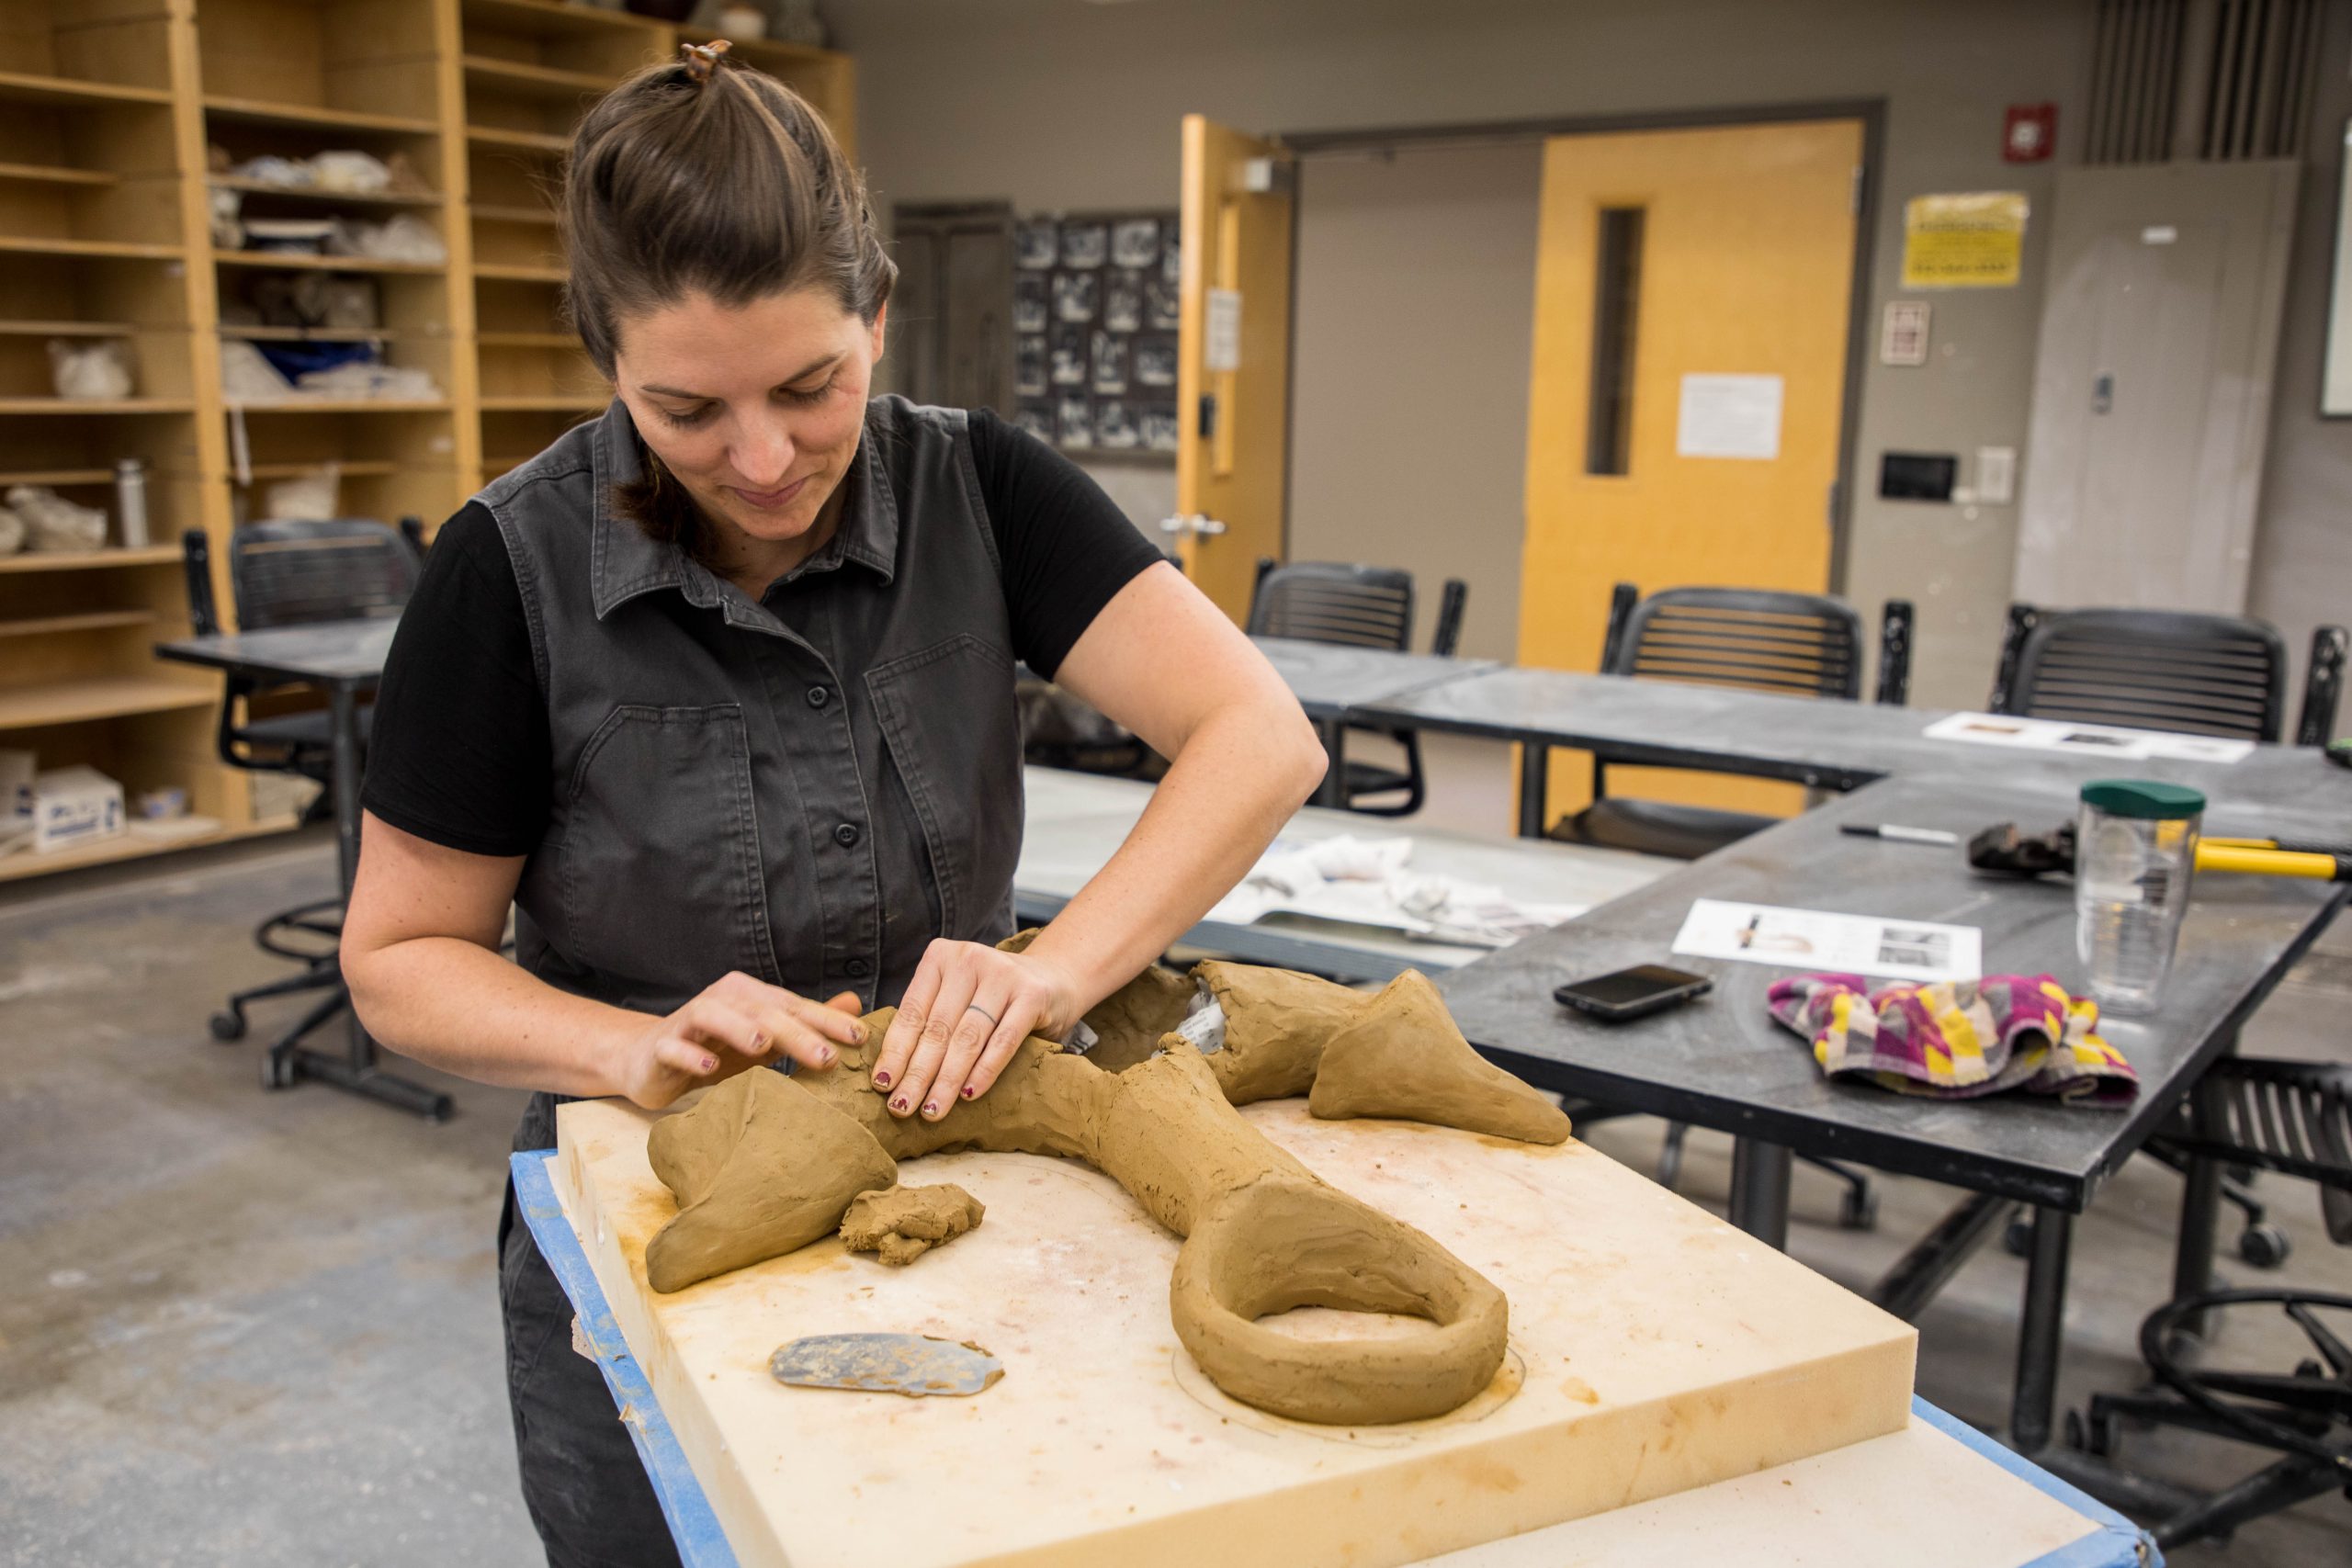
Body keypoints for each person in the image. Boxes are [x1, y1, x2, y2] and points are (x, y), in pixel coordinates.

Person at [341, 41, 1326, 1568]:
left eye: (813, 387)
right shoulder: (508, 571)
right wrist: (629, 1045)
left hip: (980, 1179)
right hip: (666, 1203)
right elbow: (399, 958)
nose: (761, 458)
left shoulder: (979, 487)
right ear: (606, 361)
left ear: (876, 313)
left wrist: (1054, 971)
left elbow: (1257, 735)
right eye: (685, 410)